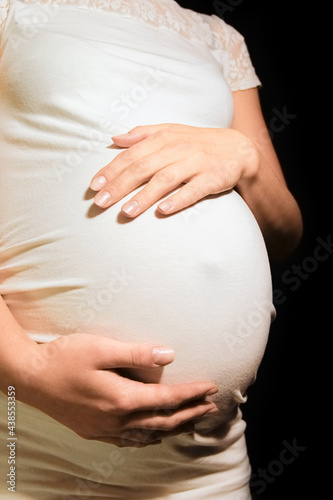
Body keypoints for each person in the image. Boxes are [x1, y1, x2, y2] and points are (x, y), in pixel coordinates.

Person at [0, 0, 303, 498]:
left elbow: (285, 234)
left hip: (207, 464)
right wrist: (28, 376)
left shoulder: (218, 37)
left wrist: (244, 157)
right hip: (31, 446)